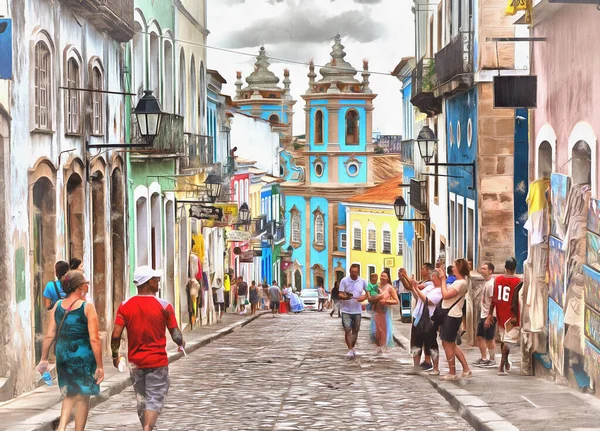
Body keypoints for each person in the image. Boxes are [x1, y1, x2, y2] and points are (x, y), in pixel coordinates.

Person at [111, 266, 185, 431]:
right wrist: (181, 343)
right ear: (149, 282)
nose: (158, 282)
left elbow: (116, 335)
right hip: (157, 361)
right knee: (155, 397)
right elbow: (176, 335)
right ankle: (147, 428)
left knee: (142, 399)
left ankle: (147, 426)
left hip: (135, 362)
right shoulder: (164, 306)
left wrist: (115, 356)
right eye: (155, 279)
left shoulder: (125, 306)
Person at [37, 271, 103, 431]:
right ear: (80, 286)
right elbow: (94, 339)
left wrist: (44, 358)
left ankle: (61, 427)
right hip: (83, 356)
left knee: (70, 393)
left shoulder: (58, 305)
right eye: (85, 283)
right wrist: (100, 366)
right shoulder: (87, 307)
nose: (87, 285)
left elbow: (49, 334)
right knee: (83, 396)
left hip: (63, 355)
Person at [487, 257, 522, 376]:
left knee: (504, 339)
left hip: (501, 313)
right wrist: (516, 315)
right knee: (507, 340)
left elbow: (494, 298)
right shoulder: (517, 281)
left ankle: (505, 360)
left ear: (505, 267)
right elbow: (517, 300)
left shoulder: (498, 279)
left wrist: (490, 313)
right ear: (515, 268)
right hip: (511, 315)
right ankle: (501, 366)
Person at [439, 259, 472, 381]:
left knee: (448, 344)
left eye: (454, 266)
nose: (452, 268)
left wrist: (443, 280)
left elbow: (446, 295)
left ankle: (452, 372)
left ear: (458, 268)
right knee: (450, 344)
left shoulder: (460, 283)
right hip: (451, 315)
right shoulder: (460, 282)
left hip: (451, 316)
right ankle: (466, 369)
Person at [406, 268, 443, 375]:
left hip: (430, 319)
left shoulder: (440, 290)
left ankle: (435, 367)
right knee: (415, 342)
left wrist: (416, 289)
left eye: (434, 276)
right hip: (418, 316)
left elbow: (428, 301)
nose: (432, 278)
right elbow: (417, 294)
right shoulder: (430, 286)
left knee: (431, 343)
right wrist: (414, 287)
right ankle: (415, 366)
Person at [339, 264, 367, 359]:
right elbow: (340, 294)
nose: (354, 274)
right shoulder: (344, 281)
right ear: (349, 271)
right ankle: (350, 349)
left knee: (355, 330)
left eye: (356, 272)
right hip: (346, 310)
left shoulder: (362, 281)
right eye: (352, 272)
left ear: (358, 272)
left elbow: (368, 292)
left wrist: (364, 297)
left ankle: (353, 347)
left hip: (357, 310)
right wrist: (345, 297)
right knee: (347, 330)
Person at [369, 271, 399, 356]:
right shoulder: (376, 286)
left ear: (388, 278)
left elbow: (396, 301)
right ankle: (378, 346)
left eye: (384, 276)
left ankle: (383, 347)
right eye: (381, 275)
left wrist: (385, 301)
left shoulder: (390, 288)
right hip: (376, 311)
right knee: (375, 331)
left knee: (383, 330)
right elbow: (370, 296)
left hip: (385, 311)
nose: (382, 277)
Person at [474, 262, 497, 367]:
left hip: (489, 315)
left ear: (490, 271)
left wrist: (490, 316)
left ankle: (492, 359)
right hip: (483, 314)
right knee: (480, 336)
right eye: (481, 268)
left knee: (489, 338)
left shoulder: (491, 284)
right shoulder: (487, 283)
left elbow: (494, 301)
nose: (481, 270)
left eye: (484, 269)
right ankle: (484, 358)